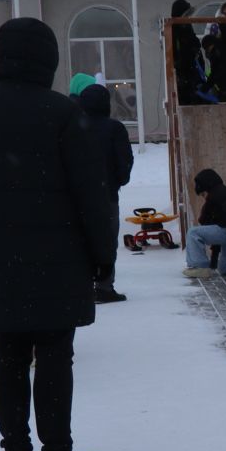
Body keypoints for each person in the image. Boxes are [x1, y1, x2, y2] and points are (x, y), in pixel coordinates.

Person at [0, 18, 115, 451]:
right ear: (49, 59)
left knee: (11, 355)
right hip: (60, 257)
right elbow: (91, 193)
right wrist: (103, 255)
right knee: (56, 353)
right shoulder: (62, 114)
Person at [77, 83, 134, 304]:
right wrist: (119, 179)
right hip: (106, 195)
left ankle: (81, 286)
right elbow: (124, 161)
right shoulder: (114, 128)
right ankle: (103, 286)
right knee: (107, 241)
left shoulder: (74, 126)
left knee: (80, 241)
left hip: (78, 197)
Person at [170, 0, 210, 106]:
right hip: (184, 77)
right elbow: (176, 56)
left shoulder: (187, 27)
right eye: (185, 15)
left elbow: (195, 44)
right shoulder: (174, 32)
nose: (187, 18)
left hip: (194, 73)